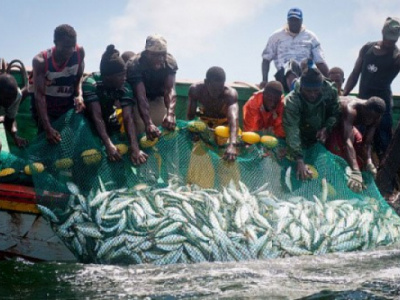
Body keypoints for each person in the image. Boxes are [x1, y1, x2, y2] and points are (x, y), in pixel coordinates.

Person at [343, 17, 400, 159]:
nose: (390, 42)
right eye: (388, 37)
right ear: (382, 32)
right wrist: (344, 94)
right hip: (363, 104)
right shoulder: (367, 48)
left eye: (394, 39)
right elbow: (355, 74)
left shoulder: (397, 57)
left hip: (382, 108)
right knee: (358, 140)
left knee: (384, 144)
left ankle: (386, 177)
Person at [82, 45, 147, 165]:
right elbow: (97, 117)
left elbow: (128, 118)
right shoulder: (91, 83)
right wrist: (108, 144)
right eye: (120, 75)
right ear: (107, 77)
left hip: (109, 120)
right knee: (89, 157)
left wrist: (135, 147)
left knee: (118, 151)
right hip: (87, 123)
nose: (124, 78)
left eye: (125, 74)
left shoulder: (124, 86)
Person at [283, 61, 340, 180]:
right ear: (302, 86)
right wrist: (299, 160)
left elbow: (335, 113)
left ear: (321, 87)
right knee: (294, 174)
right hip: (299, 137)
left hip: (320, 138)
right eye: (308, 91)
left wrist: (326, 128)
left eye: (316, 91)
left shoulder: (330, 90)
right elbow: (292, 129)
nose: (312, 95)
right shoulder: (292, 100)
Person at [32, 24, 85, 144]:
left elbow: (79, 77)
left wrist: (79, 95)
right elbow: (39, 97)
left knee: (70, 144)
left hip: (67, 107)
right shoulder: (41, 61)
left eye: (73, 46)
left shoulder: (79, 52)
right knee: (48, 145)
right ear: (55, 42)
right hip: (47, 110)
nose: (71, 50)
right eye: (66, 47)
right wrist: (47, 127)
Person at [326, 96, 386, 192]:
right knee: (337, 151)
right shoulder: (351, 109)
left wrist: (369, 162)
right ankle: (332, 181)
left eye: (373, 118)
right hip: (333, 123)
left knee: (359, 149)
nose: (369, 120)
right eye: (368, 116)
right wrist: (355, 171)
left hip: (348, 127)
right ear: (363, 108)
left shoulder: (377, 116)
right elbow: (347, 141)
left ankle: (355, 183)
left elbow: (366, 144)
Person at [261, 7, 329, 91]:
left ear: (301, 21)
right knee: (291, 65)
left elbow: (320, 62)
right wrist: (264, 80)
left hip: (305, 75)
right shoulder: (276, 36)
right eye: (291, 20)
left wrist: (330, 82)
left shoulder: (311, 37)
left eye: (296, 20)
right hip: (283, 76)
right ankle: (295, 92)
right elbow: (266, 60)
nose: (294, 23)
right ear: (288, 20)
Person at [126, 34, 178, 140]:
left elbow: (169, 90)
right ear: (146, 53)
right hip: (138, 100)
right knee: (143, 131)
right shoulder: (135, 64)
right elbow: (141, 96)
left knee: (169, 129)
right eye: (155, 55)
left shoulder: (169, 61)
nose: (160, 58)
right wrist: (148, 123)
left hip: (159, 97)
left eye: (163, 54)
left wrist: (170, 114)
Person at [187, 66, 239, 161]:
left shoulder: (230, 94)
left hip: (224, 126)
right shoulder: (195, 90)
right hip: (205, 124)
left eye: (220, 89)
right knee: (198, 153)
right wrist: (193, 133)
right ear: (206, 82)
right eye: (214, 90)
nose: (217, 93)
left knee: (228, 156)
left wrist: (232, 145)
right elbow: (191, 116)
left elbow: (233, 121)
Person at [0, 74, 28, 151]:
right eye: (7, 98)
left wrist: (15, 137)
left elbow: (9, 120)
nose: (10, 102)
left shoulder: (17, 96)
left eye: (12, 98)